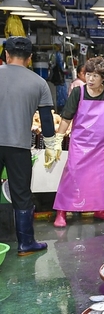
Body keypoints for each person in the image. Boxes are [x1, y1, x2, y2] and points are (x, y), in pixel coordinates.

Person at [52, 57, 104, 227]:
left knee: (102, 179)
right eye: (88, 74)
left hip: (103, 145)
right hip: (80, 144)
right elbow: (66, 118)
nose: (90, 79)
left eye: (95, 76)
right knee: (72, 176)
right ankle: (62, 211)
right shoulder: (78, 92)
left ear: (103, 78)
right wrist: (58, 140)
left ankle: (100, 209)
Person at [0, 37, 55, 255]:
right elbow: (47, 122)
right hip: (18, 146)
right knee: (21, 194)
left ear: (5, 55)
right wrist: (51, 146)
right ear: (30, 59)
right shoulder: (39, 83)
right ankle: (25, 243)